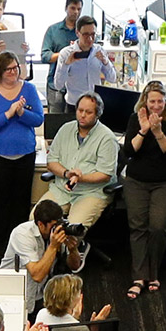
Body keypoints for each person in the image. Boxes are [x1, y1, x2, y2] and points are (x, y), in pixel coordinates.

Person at [121, 81, 166, 298]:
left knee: (158, 226)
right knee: (137, 226)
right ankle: (139, 276)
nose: (156, 105)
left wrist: (157, 132)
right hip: (138, 180)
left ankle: (153, 273)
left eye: (160, 101)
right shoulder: (135, 118)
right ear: (145, 102)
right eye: (152, 101)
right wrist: (144, 130)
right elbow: (129, 151)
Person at [0, 49, 44, 242]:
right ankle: (1, 243)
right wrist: (8, 114)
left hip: (25, 155)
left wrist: (21, 114)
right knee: (1, 202)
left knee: (21, 203)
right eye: (8, 69)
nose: (13, 72)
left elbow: (38, 119)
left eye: (15, 68)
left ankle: (22, 242)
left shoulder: (28, 89)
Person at [44, 90, 119, 232]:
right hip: (62, 190)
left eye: (88, 112)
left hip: (91, 193)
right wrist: (67, 174)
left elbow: (105, 174)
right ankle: (45, 254)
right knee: (36, 221)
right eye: (80, 110)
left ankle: (74, 253)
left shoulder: (107, 138)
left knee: (71, 231)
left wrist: (81, 178)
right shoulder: (66, 129)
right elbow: (51, 161)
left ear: (98, 114)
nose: (83, 115)